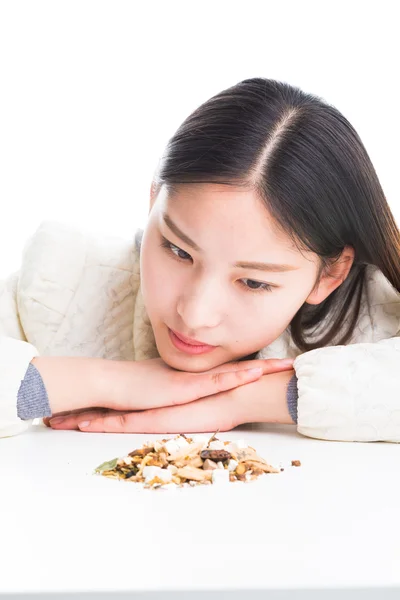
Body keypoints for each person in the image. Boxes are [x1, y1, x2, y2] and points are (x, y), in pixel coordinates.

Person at [1, 77, 400, 442]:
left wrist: (244, 400)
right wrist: (109, 381)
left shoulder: (377, 312)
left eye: (254, 282)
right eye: (178, 251)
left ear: (328, 275)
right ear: (154, 200)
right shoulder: (62, 280)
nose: (194, 314)